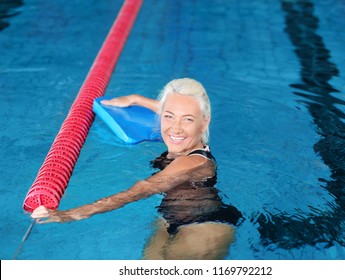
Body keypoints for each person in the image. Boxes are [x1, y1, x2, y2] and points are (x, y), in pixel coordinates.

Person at [32, 78, 242, 259]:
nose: (176, 128)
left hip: (206, 224)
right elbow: (170, 109)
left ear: (204, 123)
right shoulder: (180, 139)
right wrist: (135, 99)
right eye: (169, 116)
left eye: (188, 120)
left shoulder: (193, 162)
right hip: (168, 218)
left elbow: (141, 190)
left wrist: (72, 214)